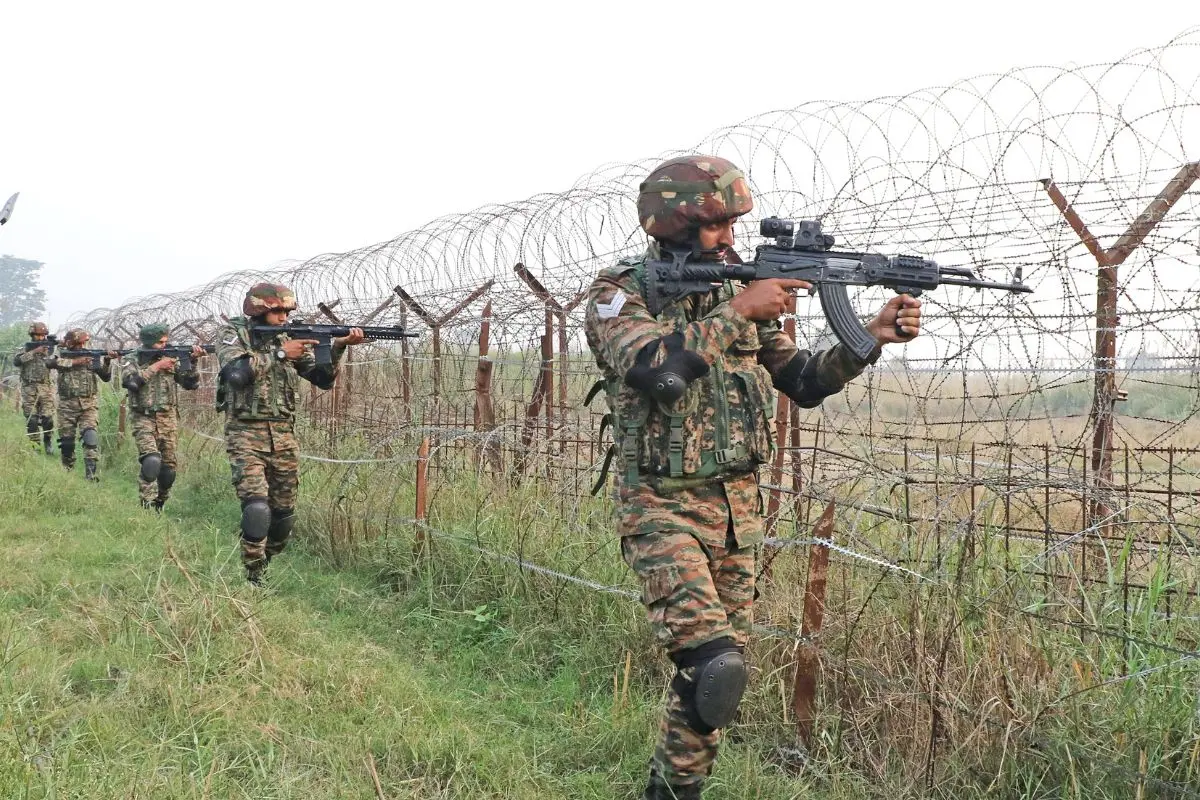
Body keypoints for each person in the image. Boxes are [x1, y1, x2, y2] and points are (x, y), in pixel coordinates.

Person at [583, 155, 923, 799]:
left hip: (738, 513)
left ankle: (672, 792)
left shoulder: (733, 293)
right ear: (672, 225)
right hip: (660, 505)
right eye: (715, 226)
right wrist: (739, 310)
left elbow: (803, 381)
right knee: (711, 662)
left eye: (733, 224)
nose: (729, 238)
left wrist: (870, 337)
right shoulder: (620, 293)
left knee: (719, 681)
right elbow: (657, 371)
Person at [215, 283, 365, 585]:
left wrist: (338, 347)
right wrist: (282, 354)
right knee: (257, 507)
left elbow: (322, 378)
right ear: (258, 310)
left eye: (287, 311)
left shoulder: (287, 337)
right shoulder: (234, 334)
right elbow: (236, 374)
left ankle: (265, 561)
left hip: (283, 436)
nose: (284, 317)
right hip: (245, 434)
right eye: (277, 311)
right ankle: (252, 575)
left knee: (283, 515)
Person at [120, 323, 205, 511]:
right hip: (143, 417)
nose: (164, 345)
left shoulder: (171, 357)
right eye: (160, 342)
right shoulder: (132, 358)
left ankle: (160, 503)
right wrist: (157, 366)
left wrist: (192, 362)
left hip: (168, 418)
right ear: (149, 342)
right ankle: (146, 505)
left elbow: (190, 384)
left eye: (166, 341)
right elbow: (131, 382)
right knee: (151, 460)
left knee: (168, 469)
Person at [48, 328, 115, 480]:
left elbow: (105, 377)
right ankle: (67, 473)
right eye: (78, 344)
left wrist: (107, 361)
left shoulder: (91, 356)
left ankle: (91, 475)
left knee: (90, 437)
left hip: (88, 405)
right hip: (66, 406)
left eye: (83, 343)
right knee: (67, 443)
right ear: (70, 343)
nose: (81, 347)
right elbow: (50, 363)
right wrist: (75, 362)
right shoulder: (62, 354)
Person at [13, 321, 56, 455]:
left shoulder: (49, 349)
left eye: (43, 335)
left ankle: (48, 440)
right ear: (32, 335)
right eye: (38, 335)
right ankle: (35, 446)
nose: (41, 337)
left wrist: (49, 349)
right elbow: (17, 361)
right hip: (29, 388)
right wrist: (34, 351)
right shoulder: (25, 348)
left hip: (45, 387)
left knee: (48, 418)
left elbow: (55, 360)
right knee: (31, 419)